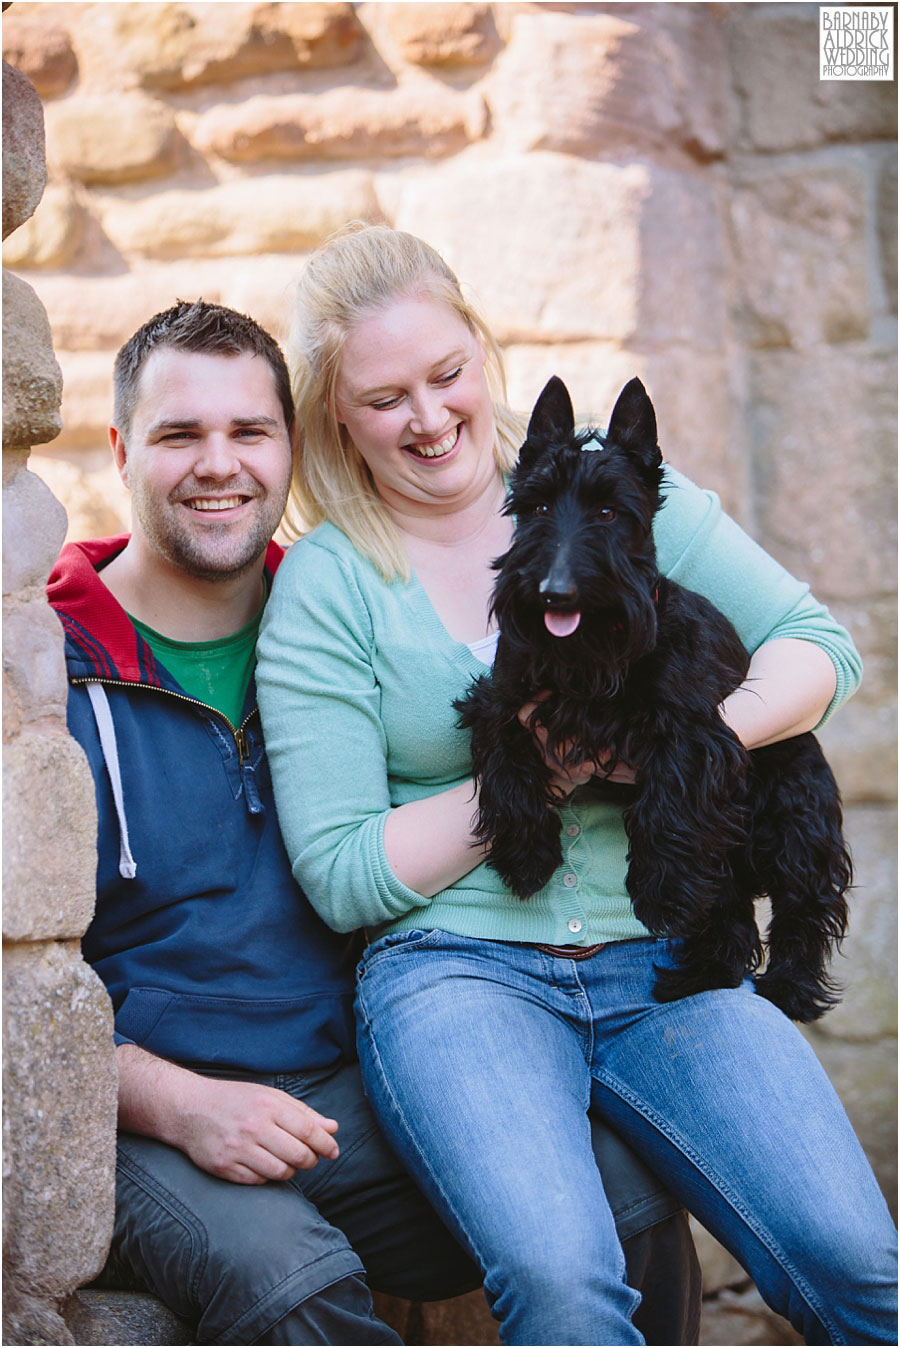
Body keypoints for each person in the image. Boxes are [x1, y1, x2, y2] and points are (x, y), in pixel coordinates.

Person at [255, 223, 899, 1347]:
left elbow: (817, 650)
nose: (429, 417)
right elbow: (345, 873)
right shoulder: (330, 582)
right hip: (459, 973)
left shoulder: (620, 496)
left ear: (482, 352)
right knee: (564, 1286)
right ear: (336, 416)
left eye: (447, 374)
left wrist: (694, 739)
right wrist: (545, 774)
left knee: (857, 1260)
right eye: (384, 397)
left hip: (668, 956)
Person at [47, 299, 703, 1347]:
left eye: (249, 432)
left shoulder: (345, 616)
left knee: (627, 1191)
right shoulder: (46, 669)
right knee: (289, 1282)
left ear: (292, 448)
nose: (219, 464)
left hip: (346, 1087)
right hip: (147, 1117)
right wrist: (174, 1102)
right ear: (123, 449)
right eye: (180, 434)